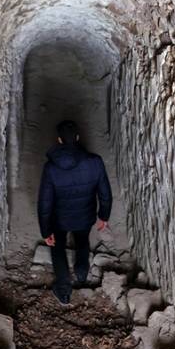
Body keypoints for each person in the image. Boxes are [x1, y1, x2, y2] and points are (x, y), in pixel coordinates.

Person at [37, 120, 112, 304]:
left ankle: (63, 290)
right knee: (82, 240)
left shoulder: (51, 168)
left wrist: (46, 231)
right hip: (85, 216)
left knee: (58, 247)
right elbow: (105, 193)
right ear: (78, 138)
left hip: (59, 219)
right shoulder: (95, 162)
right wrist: (104, 215)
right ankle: (81, 274)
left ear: (59, 140)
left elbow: (45, 202)